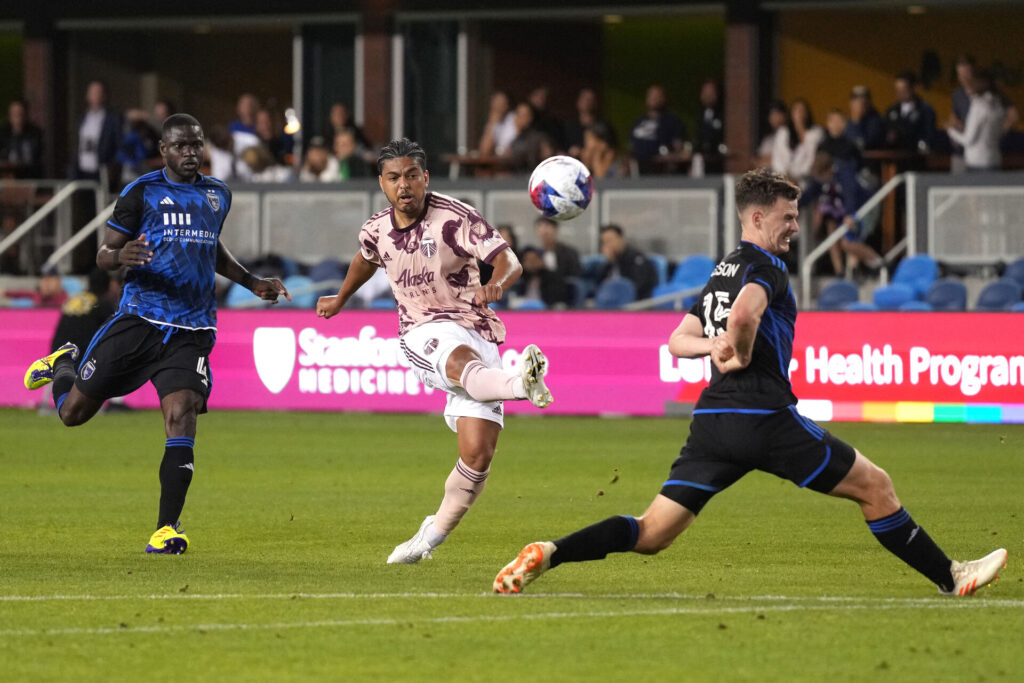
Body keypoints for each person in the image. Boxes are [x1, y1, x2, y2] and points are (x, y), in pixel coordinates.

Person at [494, 166, 1008, 597]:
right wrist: (736, 348)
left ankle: (552, 552)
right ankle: (951, 576)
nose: (794, 227)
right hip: (763, 416)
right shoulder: (768, 267)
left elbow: (677, 339)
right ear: (758, 217)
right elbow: (745, 315)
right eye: (787, 217)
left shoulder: (723, 269)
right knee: (876, 486)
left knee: (652, 532)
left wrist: (713, 348)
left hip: (713, 421)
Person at [23, 113, 290, 555]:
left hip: (193, 329)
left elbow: (212, 249)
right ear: (164, 150)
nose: (190, 153)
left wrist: (251, 281)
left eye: (196, 145)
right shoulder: (141, 193)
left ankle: (166, 528)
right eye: (181, 146)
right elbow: (103, 252)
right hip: (140, 321)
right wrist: (119, 254)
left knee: (181, 413)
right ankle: (64, 362)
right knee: (72, 414)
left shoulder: (217, 194)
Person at [315, 138, 553, 564]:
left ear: (425, 177)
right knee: (462, 363)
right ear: (382, 184)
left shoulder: (456, 217)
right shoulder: (376, 228)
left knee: (478, 456)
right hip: (422, 330)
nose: (403, 185)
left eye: (411, 176)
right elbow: (367, 258)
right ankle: (522, 383)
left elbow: (508, 260)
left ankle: (425, 541)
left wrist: (497, 281)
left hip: (476, 326)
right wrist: (340, 298)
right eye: (393, 178)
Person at [947, 69, 1006, 172]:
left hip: (976, 163)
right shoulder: (998, 105)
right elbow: (998, 133)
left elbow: (968, 139)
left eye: (971, 82)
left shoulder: (978, 105)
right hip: (994, 161)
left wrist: (950, 131)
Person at [69, 80, 123, 183]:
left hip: (101, 171)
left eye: (99, 93)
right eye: (93, 93)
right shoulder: (82, 118)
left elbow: (118, 143)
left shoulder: (112, 118)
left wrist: (112, 166)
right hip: (81, 170)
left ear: (104, 96)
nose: (96, 96)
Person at [629, 84, 688, 175]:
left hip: (661, 173)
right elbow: (631, 147)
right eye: (651, 96)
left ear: (664, 99)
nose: (654, 99)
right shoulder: (639, 121)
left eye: (657, 96)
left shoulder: (672, 122)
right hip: (638, 171)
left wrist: (670, 158)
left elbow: (679, 150)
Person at [598, 224, 657, 300]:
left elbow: (636, 286)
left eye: (609, 240)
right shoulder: (612, 261)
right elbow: (600, 284)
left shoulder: (636, 259)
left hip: (637, 302)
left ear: (621, 239)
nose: (607, 245)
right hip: (614, 300)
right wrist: (609, 262)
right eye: (604, 242)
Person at [884, 72, 937, 156]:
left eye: (903, 90)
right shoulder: (892, 110)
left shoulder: (925, 110)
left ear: (914, 88)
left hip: (916, 158)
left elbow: (929, 135)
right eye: (897, 90)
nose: (899, 93)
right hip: (895, 157)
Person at [563, 87, 616, 159]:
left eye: (591, 100)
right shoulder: (569, 127)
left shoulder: (605, 126)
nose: (588, 102)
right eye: (585, 99)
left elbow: (612, 149)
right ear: (578, 102)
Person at [0, 100, 44, 178]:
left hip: (30, 175)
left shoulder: (35, 133)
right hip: (7, 175)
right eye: (15, 114)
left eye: (21, 114)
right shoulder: (3, 134)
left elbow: (36, 156)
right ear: (10, 116)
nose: (18, 118)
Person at [534, 215, 581, 283]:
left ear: (555, 229)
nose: (544, 232)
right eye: (540, 228)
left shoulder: (569, 253)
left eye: (547, 227)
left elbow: (576, 275)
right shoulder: (535, 255)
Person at [693, 78, 725, 174]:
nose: (708, 96)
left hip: (719, 163)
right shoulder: (699, 115)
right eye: (705, 92)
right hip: (701, 163)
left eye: (711, 92)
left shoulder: (724, 115)